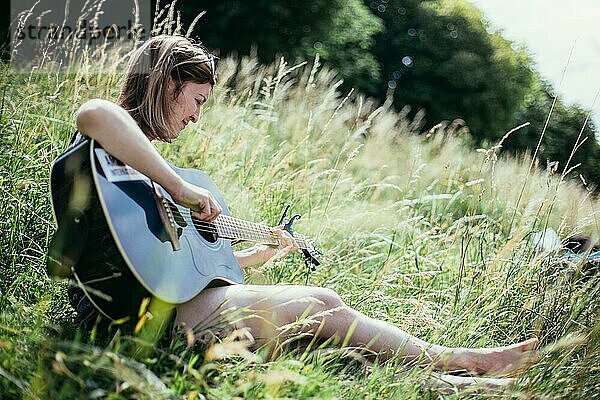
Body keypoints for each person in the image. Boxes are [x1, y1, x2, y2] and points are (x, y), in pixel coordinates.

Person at [72, 34, 538, 390]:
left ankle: (447, 387)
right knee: (318, 308)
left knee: (326, 316)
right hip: (143, 318)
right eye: (196, 100)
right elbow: (93, 112)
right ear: (167, 84)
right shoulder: (113, 147)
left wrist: (261, 253)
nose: (196, 117)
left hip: (168, 300)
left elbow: (182, 264)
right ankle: (462, 360)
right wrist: (181, 187)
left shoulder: (141, 167)